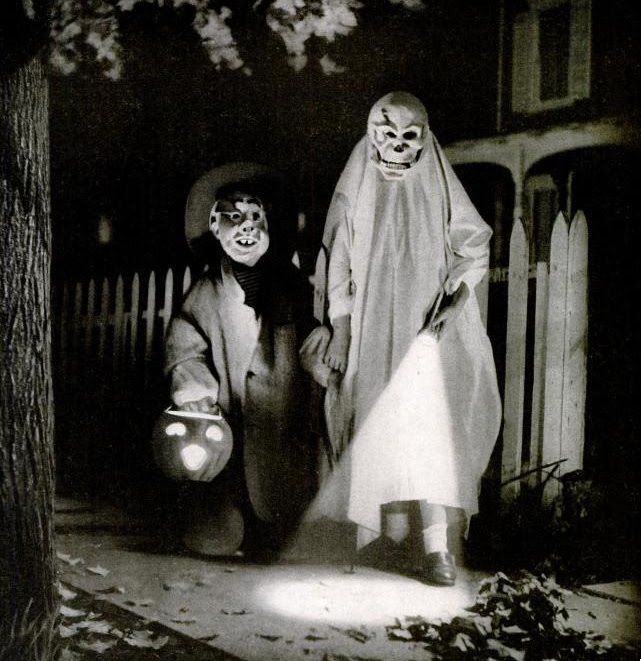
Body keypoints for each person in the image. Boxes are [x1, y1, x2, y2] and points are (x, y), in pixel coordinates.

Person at [311, 92, 501, 585]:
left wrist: (454, 301)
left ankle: (436, 547)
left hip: (423, 328)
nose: (397, 147)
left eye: (408, 137)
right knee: (375, 418)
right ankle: (387, 536)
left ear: (423, 138)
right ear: (372, 136)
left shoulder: (438, 183)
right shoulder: (357, 184)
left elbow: (474, 246)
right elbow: (338, 260)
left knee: (429, 427)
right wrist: (342, 328)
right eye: (386, 135)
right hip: (372, 327)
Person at [164, 163, 315, 558]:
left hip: (281, 414)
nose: (246, 226)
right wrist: (196, 387)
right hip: (232, 415)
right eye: (233, 216)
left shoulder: (293, 286)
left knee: (283, 488)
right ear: (215, 227)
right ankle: (231, 527)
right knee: (226, 494)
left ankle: (279, 531)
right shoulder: (206, 292)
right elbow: (185, 344)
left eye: (255, 216)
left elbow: (315, 331)